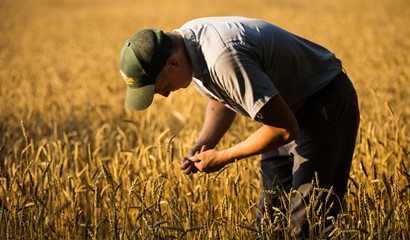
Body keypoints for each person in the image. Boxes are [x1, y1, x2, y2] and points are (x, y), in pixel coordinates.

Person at [119, 16, 360, 238]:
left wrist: (223, 157)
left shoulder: (222, 57)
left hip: (322, 106)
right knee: (269, 221)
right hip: (284, 108)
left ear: (172, 64)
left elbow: (285, 130)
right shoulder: (184, 44)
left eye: (159, 87)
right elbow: (220, 98)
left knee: (307, 223)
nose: (164, 95)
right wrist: (205, 142)